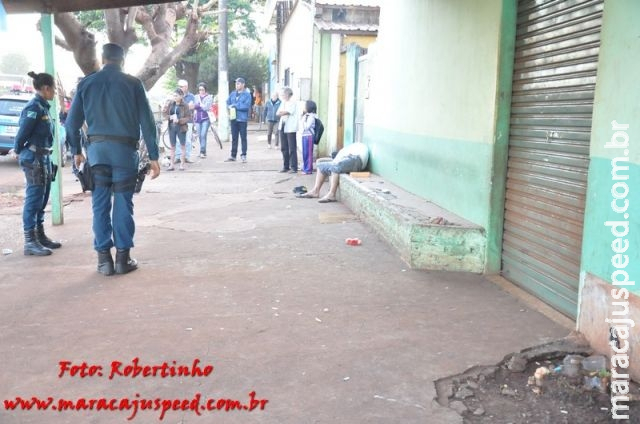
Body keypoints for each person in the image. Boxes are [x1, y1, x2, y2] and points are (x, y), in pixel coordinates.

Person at [65, 43, 161, 276]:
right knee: (123, 203)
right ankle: (122, 260)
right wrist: (154, 156)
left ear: (103, 58)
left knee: (99, 205)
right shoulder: (133, 84)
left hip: (97, 154)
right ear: (122, 60)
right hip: (124, 154)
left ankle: (103, 262)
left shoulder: (86, 83)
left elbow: (71, 123)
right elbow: (147, 122)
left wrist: (77, 150)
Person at [12, 71, 62, 256]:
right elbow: (22, 133)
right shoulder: (33, 108)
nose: (55, 92)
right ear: (46, 88)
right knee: (33, 199)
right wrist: (17, 150)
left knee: (43, 197)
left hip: (44, 157)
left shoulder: (44, 107)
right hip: (34, 159)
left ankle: (40, 236)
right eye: (54, 89)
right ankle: (30, 242)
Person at [296, 142, 369, 203]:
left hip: (357, 159)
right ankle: (315, 191)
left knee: (335, 167)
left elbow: (335, 164)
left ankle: (332, 194)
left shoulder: (342, 154)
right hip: (354, 158)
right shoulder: (344, 152)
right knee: (321, 166)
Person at [162, 88, 191, 171]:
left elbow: (188, 117)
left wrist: (179, 120)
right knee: (172, 146)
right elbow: (164, 114)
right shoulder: (171, 103)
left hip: (181, 128)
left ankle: (182, 165)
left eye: (176, 96)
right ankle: (171, 165)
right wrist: (169, 117)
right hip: (171, 127)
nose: (174, 97)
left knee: (182, 146)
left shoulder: (185, 105)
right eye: (173, 95)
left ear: (181, 96)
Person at [225, 77, 252, 163]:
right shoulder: (233, 94)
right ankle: (233, 155)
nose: (237, 85)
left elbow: (246, 106)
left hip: (242, 119)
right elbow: (227, 102)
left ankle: (243, 155)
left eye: (238, 83)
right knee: (234, 138)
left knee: (243, 137)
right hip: (233, 118)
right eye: (236, 83)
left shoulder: (247, 95)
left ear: (243, 85)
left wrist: (235, 106)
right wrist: (229, 107)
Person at [277, 87, 298, 173]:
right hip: (282, 125)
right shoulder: (283, 103)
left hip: (290, 127)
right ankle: (286, 166)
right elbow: (278, 113)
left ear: (288, 94)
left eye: (284, 94)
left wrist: (283, 112)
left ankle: (294, 167)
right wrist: (282, 112)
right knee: (283, 147)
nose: (283, 96)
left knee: (292, 147)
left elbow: (287, 112)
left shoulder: (293, 103)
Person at [175, 79, 195, 164]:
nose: (179, 88)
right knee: (177, 139)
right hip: (177, 121)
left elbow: (192, 107)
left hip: (188, 121)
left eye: (181, 86)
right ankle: (178, 157)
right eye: (179, 86)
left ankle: (187, 157)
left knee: (187, 140)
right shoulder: (175, 95)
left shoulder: (191, 96)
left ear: (186, 87)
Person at [193, 82, 213, 158]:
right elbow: (194, 106)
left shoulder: (209, 97)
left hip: (206, 118)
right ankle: (203, 151)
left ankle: (202, 151)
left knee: (203, 134)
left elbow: (206, 108)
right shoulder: (196, 97)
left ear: (205, 89)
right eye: (200, 89)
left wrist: (199, 105)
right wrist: (199, 106)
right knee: (200, 135)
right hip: (197, 118)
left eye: (202, 89)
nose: (201, 91)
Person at [300, 100, 317, 174]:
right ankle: (305, 167)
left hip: (309, 136)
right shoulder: (306, 115)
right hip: (304, 135)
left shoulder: (311, 116)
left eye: (305, 106)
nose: (304, 107)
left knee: (308, 153)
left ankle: (308, 169)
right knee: (305, 153)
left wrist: (303, 121)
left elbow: (307, 127)